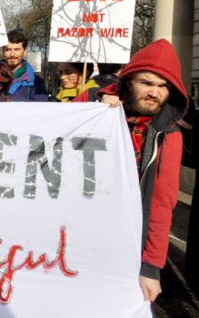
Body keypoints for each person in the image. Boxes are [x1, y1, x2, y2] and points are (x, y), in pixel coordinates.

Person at [74, 39, 188, 302]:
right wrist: (94, 110)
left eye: (163, 86)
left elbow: (161, 203)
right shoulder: (92, 103)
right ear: (127, 81)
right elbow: (54, 132)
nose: (155, 93)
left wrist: (150, 267)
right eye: (147, 83)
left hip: (123, 242)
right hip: (77, 230)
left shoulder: (168, 136)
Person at [3, 30, 48, 101]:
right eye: (8, 50)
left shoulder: (36, 83)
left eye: (17, 49)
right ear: (3, 52)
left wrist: (12, 100)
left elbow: (40, 107)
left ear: (25, 52)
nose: (12, 54)